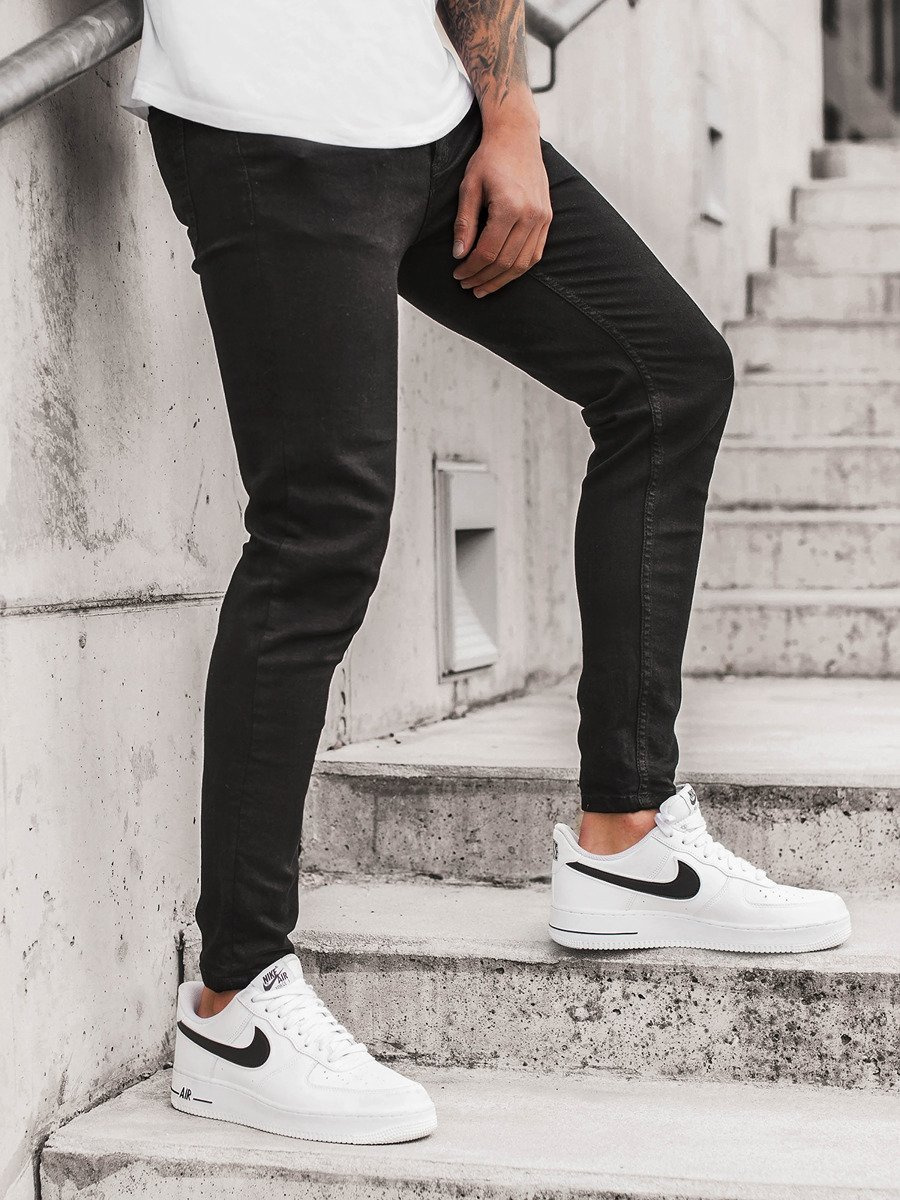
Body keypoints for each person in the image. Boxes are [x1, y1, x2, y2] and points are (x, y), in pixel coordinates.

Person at [125, 0, 851, 1148]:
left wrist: (505, 119)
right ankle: (234, 1002)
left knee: (670, 377)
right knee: (322, 532)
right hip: (271, 124)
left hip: (437, 115)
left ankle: (627, 833)